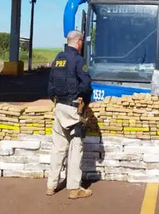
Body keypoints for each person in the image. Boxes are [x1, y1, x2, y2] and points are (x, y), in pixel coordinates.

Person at [46, 30, 92, 199]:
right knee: (75, 148)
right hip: (74, 110)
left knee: (58, 148)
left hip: (59, 108)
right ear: (79, 41)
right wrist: (83, 101)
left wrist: (57, 101)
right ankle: (74, 188)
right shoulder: (78, 60)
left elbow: (50, 86)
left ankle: (51, 185)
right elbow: (86, 85)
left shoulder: (58, 59)